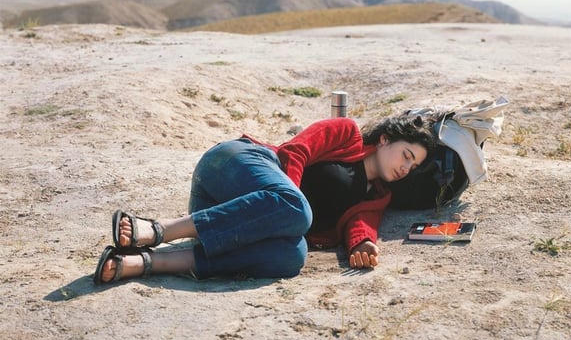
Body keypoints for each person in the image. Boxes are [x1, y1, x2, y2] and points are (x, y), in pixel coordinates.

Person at [94, 115, 436, 284]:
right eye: (406, 155)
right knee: (297, 211)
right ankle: (157, 230)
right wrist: (289, 203)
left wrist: (363, 243)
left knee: (291, 256)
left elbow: (361, 225)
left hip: (228, 223)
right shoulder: (345, 133)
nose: (406, 167)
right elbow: (295, 152)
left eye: (413, 166)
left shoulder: (378, 197)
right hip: (232, 166)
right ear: (384, 139)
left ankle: (147, 263)